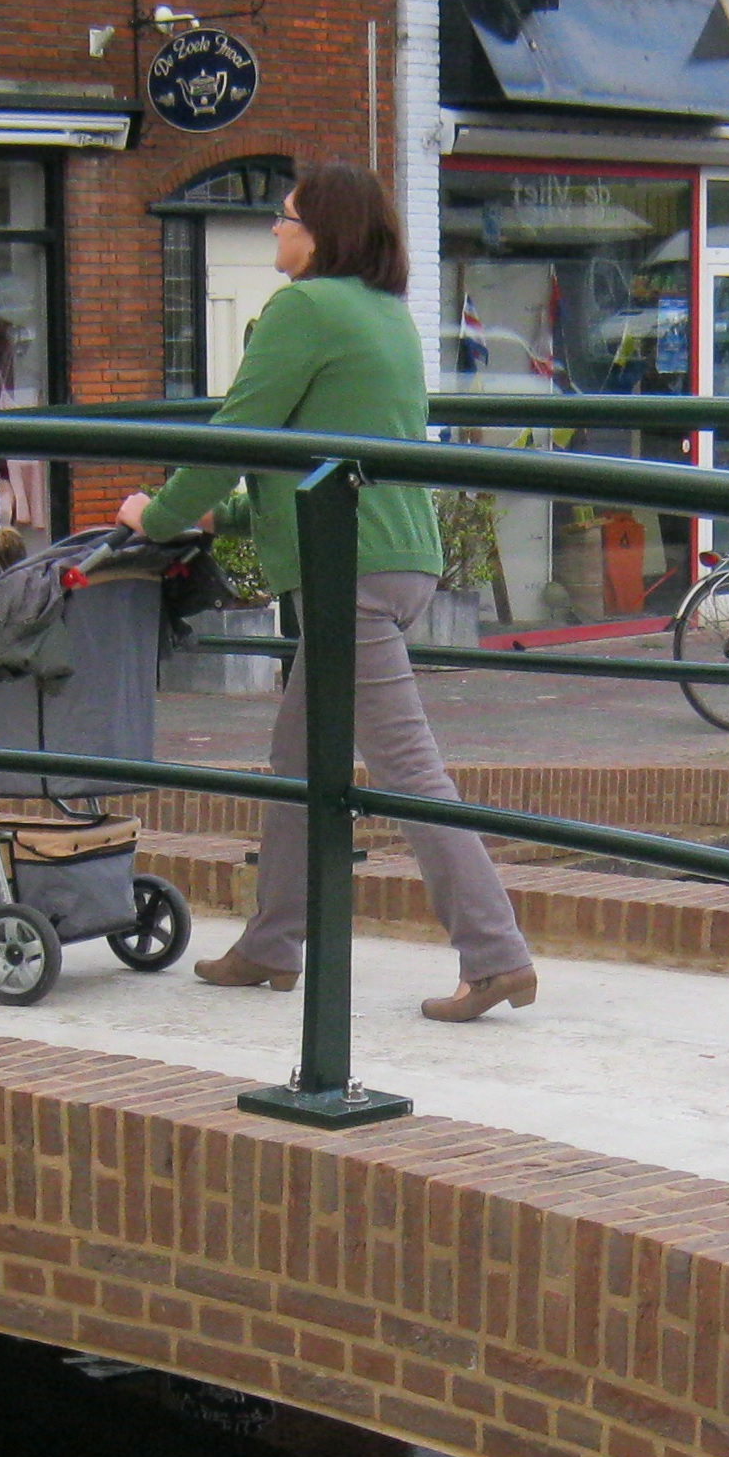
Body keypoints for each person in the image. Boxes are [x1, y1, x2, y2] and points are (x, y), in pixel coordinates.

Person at [120, 162, 536, 1022]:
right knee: (299, 760)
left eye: (285, 218)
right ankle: (272, 946)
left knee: (406, 769)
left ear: (322, 234)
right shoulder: (385, 314)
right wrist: (227, 517)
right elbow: (315, 451)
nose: (275, 230)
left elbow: (240, 430)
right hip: (393, 552)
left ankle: (495, 956)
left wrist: (161, 515)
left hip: (351, 568)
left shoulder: (303, 309)